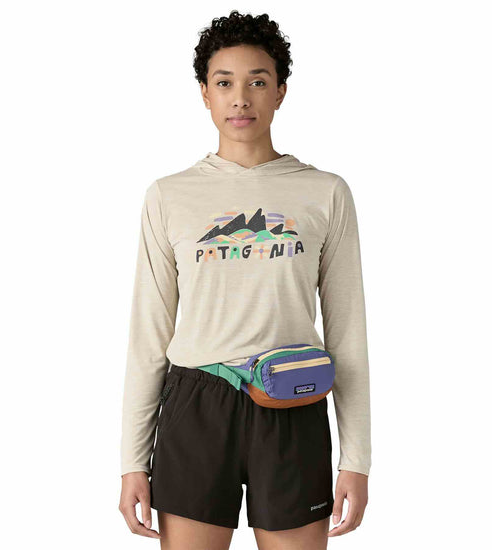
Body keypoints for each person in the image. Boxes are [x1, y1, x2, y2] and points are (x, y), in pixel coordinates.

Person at [119, 10, 371, 549]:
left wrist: (357, 458)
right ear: (204, 94)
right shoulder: (169, 196)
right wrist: (132, 461)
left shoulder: (325, 192)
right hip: (196, 404)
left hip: (293, 400)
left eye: (257, 82)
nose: (240, 99)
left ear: (280, 92)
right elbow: (148, 335)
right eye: (224, 83)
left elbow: (348, 332)